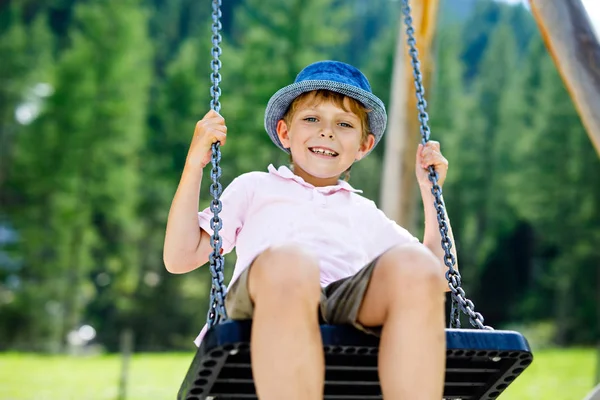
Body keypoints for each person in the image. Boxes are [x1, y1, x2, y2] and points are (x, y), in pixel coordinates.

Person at [163, 60, 457, 400]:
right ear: (286, 132)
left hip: (340, 310)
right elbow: (180, 257)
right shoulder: (255, 187)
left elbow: (440, 276)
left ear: (364, 145)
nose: (327, 132)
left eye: (344, 124)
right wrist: (194, 164)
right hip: (268, 295)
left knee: (414, 266)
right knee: (292, 263)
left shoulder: (364, 214)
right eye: (312, 118)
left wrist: (431, 192)